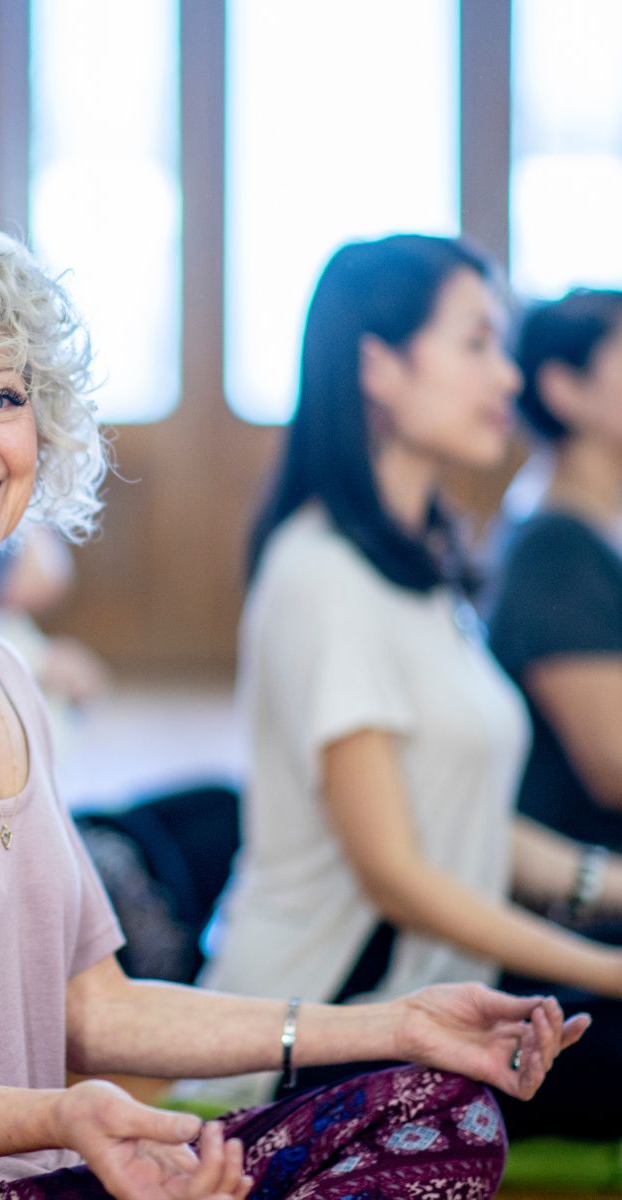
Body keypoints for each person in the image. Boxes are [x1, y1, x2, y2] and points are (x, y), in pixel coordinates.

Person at [0, 220, 583, 1199]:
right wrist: (65, 1117)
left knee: (440, 1108)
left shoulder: (3, 675)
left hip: (24, 1178)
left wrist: (395, 1024)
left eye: (0, 397)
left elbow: (95, 1009)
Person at [193, 235, 622, 1140]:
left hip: (439, 1000)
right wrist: (603, 968)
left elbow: (455, 811)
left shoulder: (423, 567)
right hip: (333, 1028)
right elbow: (396, 875)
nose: (507, 376)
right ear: (379, 366)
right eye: (476, 343)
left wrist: (606, 886)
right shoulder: (323, 573)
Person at [488, 290, 622, 855]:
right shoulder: (555, 547)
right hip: (587, 872)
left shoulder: (594, 523)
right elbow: (614, 765)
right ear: (564, 388)